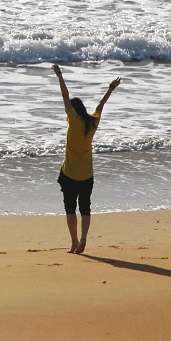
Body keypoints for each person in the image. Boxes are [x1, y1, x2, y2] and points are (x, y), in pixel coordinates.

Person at [52, 63, 122, 254]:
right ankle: (83, 238)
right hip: (87, 174)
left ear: (73, 111)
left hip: (69, 173)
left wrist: (59, 74)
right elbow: (100, 105)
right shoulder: (92, 123)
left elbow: (65, 97)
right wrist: (111, 88)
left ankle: (74, 242)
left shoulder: (73, 120)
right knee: (85, 207)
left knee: (69, 208)